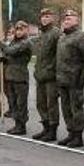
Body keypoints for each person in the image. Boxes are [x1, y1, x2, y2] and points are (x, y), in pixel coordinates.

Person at [55, 9, 84, 147]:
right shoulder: (62, 37)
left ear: (77, 20)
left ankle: (78, 136)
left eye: (70, 18)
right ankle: (71, 133)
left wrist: (82, 79)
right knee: (66, 109)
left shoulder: (81, 36)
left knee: (76, 109)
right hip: (63, 79)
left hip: (75, 80)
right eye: (65, 19)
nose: (66, 21)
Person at [31, 8, 61, 142]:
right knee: (40, 103)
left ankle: (53, 130)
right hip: (40, 74)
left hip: (51, 75)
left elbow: (59, 55)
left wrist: (54, 71)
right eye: (43, 16)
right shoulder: (41, 34)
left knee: (51, 104)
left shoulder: (56, 33)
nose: (44, 19)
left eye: (47, 16)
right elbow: (37, 55)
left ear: (53, 18)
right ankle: (46, 127)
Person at [1, 21, 33, 134]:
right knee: (13, 101)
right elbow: (8, 54)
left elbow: (11, 51)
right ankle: (16, 124)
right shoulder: (14, 41)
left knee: (21, 103)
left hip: (20, 77)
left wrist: (2, 44)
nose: (18, 32)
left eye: (21, 30)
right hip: (10, 75)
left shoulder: (26, 42)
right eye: (17, 30)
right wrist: (4, 58)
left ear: (26, 30)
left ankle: (21, 125)